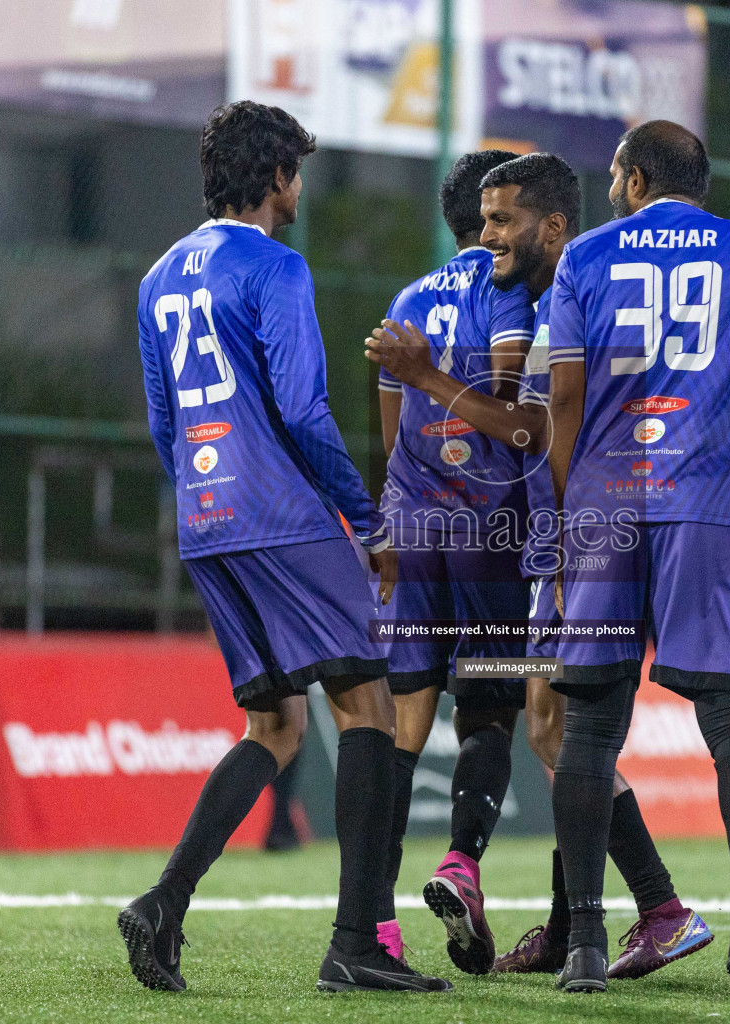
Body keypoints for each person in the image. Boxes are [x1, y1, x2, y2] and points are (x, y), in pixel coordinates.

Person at [122, 100, 448, 995]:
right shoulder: (275, 266)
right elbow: (303, 411)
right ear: (275, 178)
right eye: (295, 171)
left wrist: (205, 497)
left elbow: (163, 424)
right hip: (280, 514)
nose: (299, 186)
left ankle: (163, 903)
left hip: (206, 520)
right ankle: (356, 944)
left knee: (275, 724)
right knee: (368, 709)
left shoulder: (157, 278)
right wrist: (369, 519)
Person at [365, 153, 711, 982]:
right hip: (570, 537)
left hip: (577, 540)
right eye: (483, 219)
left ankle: (655, 911)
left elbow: (536, 428)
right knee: (557, 728)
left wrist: (425, 382)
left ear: (548, 225)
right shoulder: (558, 287)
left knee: (555, 729)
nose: (492, 235)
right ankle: (577, 926)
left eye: (504, 220)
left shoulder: (558, 292)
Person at [543, 121, 730, 997]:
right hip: (708, 506)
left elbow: (562, 391)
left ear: (633, 180)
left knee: (592, 726)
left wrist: (565, 515)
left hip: (605, 506)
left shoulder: (584, 258)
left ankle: (588, 946)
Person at [366, 148, 538, 975]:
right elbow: (508, 406)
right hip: (488, 523)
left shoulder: (406, 299)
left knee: (404, 723)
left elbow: (391, 433)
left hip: (412, 521)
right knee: (491, 708)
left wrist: (390, 527)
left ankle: (375, 919)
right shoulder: (502, 289)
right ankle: (461, 866)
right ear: (494, 213)